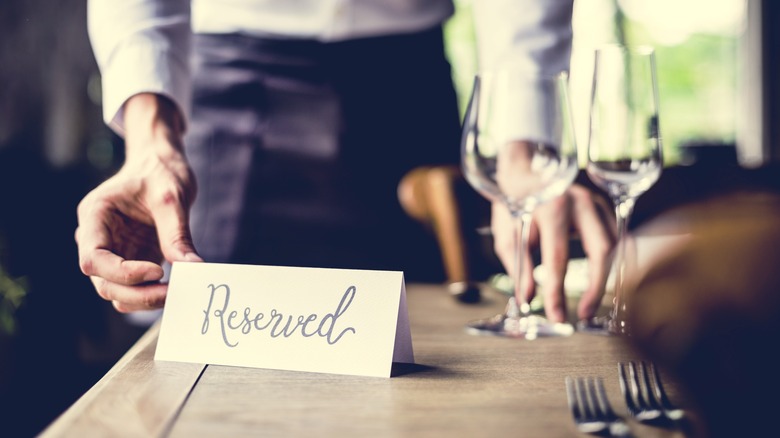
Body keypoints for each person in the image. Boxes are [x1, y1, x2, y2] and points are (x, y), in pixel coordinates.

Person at [76, 0, 615, 324]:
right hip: (224, 94)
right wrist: (151, 143)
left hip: (406, 89)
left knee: (433, 368)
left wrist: (523, 147)